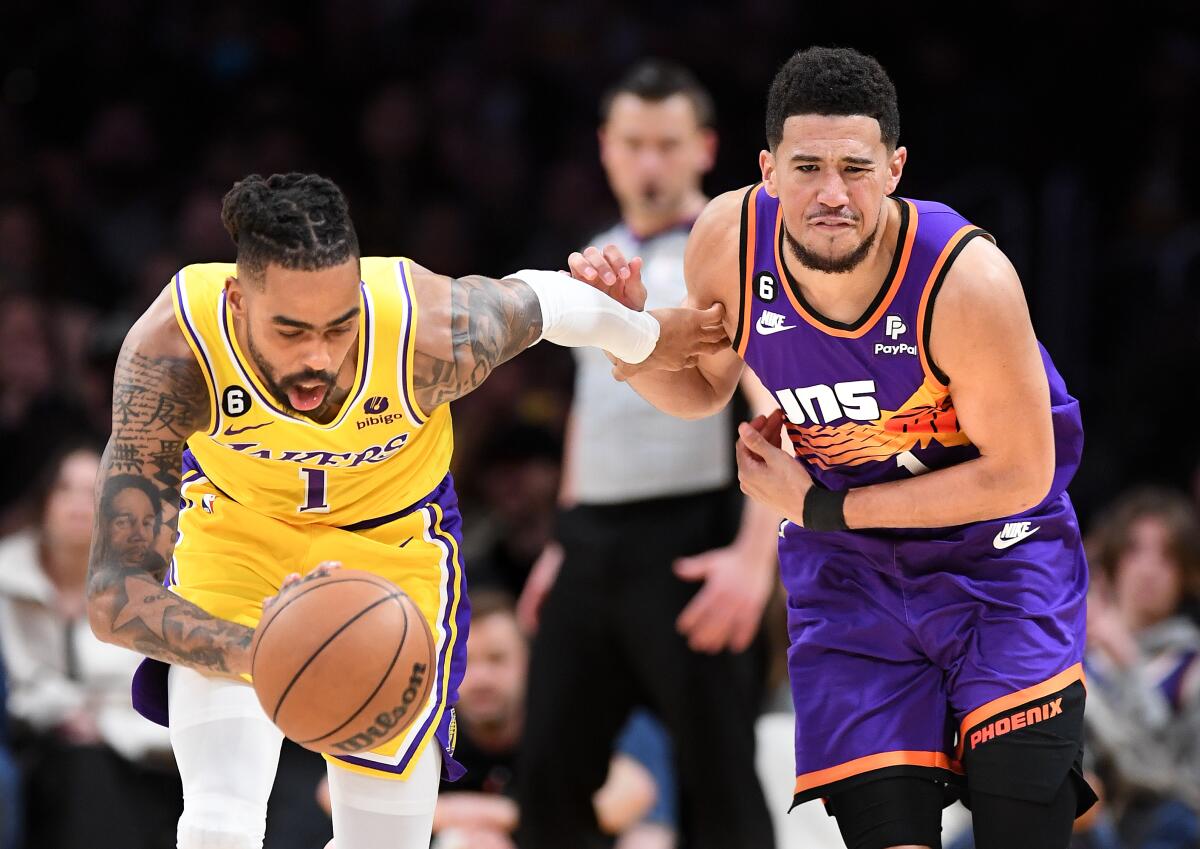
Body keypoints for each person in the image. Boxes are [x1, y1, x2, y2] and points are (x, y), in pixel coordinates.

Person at [83, 171, 723, 849]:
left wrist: (644, 338)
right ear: (239, 301)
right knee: (219, 823)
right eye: (291, 330)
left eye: (338, 326)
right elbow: (113, 593)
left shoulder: (427, 327)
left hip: (390, 551)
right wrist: (261, 648)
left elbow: (551, 303)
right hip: (237, 537)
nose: (318, 357)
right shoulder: (176, 346)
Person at [569, 46, 1096, 849]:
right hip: (853, 576)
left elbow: (1022, 474)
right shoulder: (730, 239)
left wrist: (822, 504)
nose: (832, 193)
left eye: (855, 167)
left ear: (895, 169)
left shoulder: (967, 279)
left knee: (1023, 825)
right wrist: (628, 337)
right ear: (768, 169)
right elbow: (703, 390)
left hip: (996, 557)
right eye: (807, 166)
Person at [515, 60, 776, 849]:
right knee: (548, 783)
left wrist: (753, 560)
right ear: (607, 149)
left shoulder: (728, 249)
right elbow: (589, 410)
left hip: (693, 535)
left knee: (721, 788)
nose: (650, 163)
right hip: (592, 539)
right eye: (634, 143)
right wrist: (562, 538)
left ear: (703, 147)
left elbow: (774, 410)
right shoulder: (599, 251)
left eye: (668, 144)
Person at [0, 443, 180, 849]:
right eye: (66, 490)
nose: (79, 506)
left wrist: (100, 725)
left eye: (93, 491)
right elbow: (15, 687)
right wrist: (66, 711)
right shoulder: (6, 578)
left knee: (94, 772)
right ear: (44, 501)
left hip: (132, 749)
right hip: (32, 744)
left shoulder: (145, 583)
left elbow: (148, 696)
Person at [431, 589, 669, 849]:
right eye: (465, 663)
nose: (481, 679)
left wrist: (505, 814)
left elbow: (633, 793)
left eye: (497, 659)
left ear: (529, 662)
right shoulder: (430, 730)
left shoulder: (563, 718)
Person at [1081, 487, 1200, 848]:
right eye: (1135, 551)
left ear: (1186, 574)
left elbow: (1181, 783)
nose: (1148, 570)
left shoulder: (1189, 666)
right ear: (1114, 561)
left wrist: (1127, 662)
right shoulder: (1075, 657)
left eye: (1166, 557)